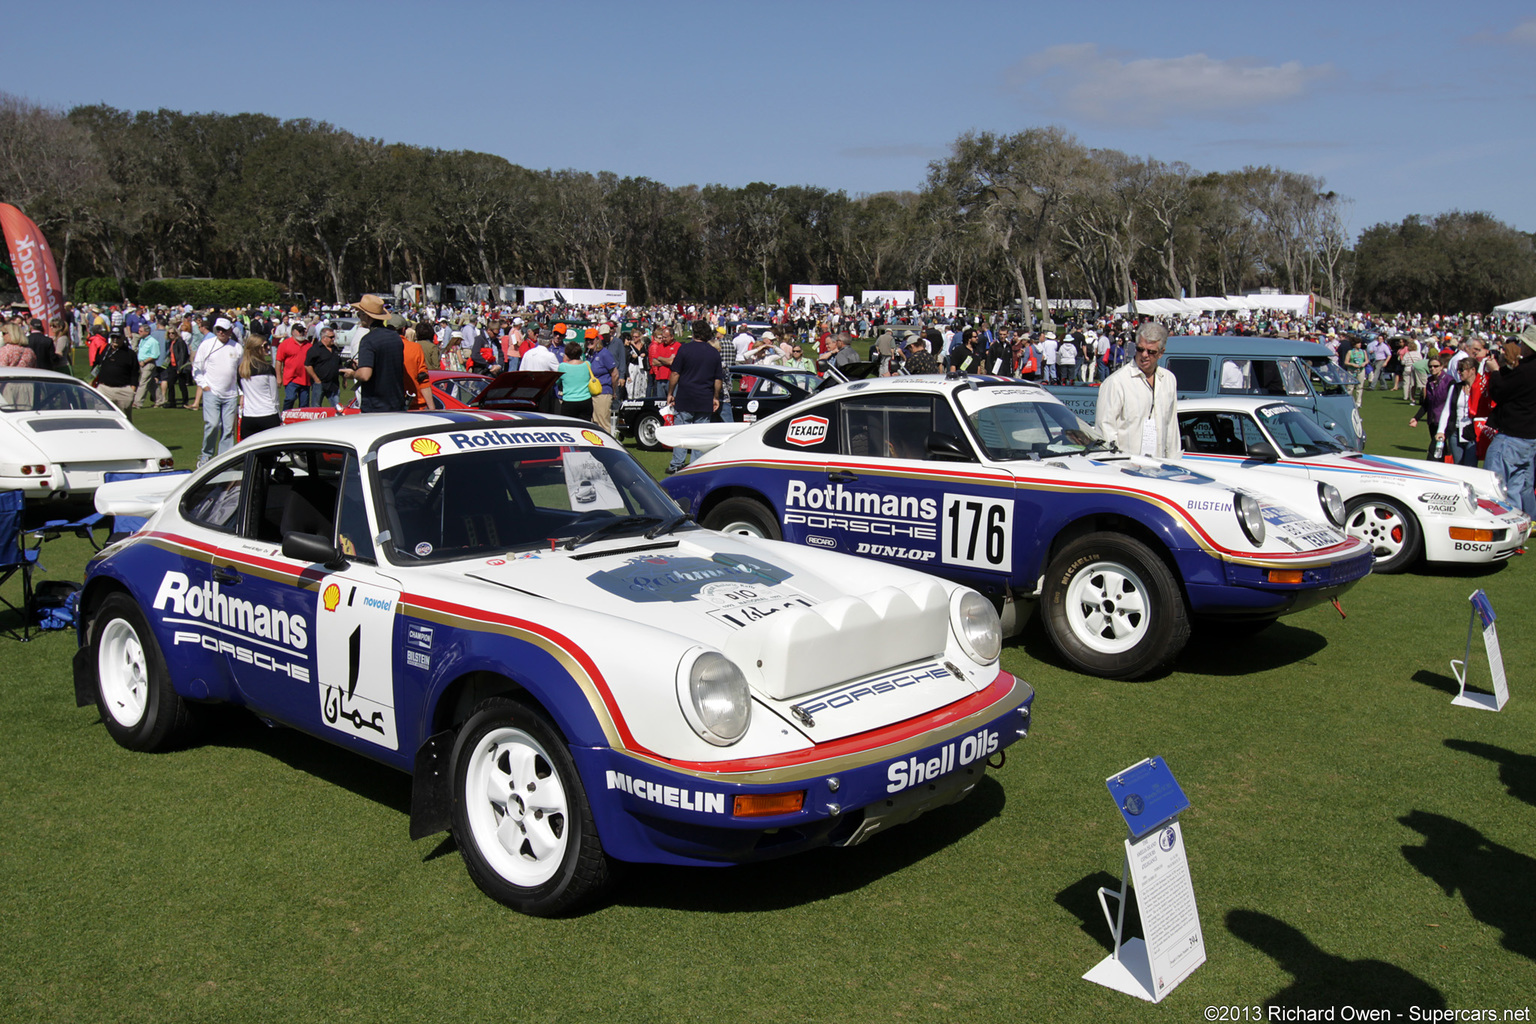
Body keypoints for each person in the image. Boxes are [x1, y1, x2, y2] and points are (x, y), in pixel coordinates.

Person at [1095, 322, 1179, 458]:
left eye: (1151, 352)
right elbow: (1105, 432)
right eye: (1140, 349)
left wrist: (1174, 463)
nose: (1144, 355)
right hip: (1126, 470)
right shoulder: (1116, 382)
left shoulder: (1168, 380)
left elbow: (1172, 428)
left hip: (1160, 468)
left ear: (1161, 353)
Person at [1482, 328, 1536, 517]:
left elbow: (1501, 391)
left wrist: (1495, 371)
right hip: (1529, 438)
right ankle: (1520, 525)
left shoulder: (1526, 371)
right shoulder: (1525, 370)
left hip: (1512, 436)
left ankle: (1497, 523)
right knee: (1517, 488)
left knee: (1494, 485)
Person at [665, 320, 724, 474]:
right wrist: (716, 397)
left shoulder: (684, 349)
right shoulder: (714, 353)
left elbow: (675, 373)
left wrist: (670, 393)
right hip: (704, 397)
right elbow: (718, 379)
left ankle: (677, 463)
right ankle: (695, 465)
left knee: (681, 432)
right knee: (700, 435)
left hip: (685, 396)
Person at [341, 294, 406, 412]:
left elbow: (365, 375)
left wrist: (353, 374)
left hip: (375, 405)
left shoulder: (368, 339)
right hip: (396, 402)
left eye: (359, 314)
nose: (359, 317)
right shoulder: (395, 337)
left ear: (367, 316)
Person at [193, 317, 241, 464]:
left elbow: (240, 372)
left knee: (228, 429)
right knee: (213, 424)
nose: (221, 332)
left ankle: (224, 460)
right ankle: (206, 455)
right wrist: (205, 386)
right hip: (212, 392)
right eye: (218, 329)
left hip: (231, 394)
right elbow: (197, 368)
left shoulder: (237, 348)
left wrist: (241, 393)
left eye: (224, 330)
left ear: (230, 331)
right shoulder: (207, 345)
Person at [237, 335, 281, 438]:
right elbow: (274, 397)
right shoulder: (267, 369)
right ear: (257, 349)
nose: (268, 348)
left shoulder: (241, 370)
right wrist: (278, 415)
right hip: (268, 415)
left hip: (249, 417)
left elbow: (242, 391)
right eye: (265, 345)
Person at [1408, 356, 1452, 459]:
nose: (1433, 368)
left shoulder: (1449, 381)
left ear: (1441, 367)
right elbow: (1427, 403)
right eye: (1430, 366)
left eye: (1436, 366)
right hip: (1432, 420)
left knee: (1434, 450)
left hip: (1444, 421)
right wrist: (1416, 418)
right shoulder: (1430, 381)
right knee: (1442, 450)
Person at [95, 333, 140, 418]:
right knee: (102, 418)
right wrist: (91, 383)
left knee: (124, 419)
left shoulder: (130, 354)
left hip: (123, 390)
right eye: (113, 337)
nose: (115, 339)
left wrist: (132, 390)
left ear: (123, 338)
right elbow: (96, 367)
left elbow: (135, 373)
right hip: (104, 388)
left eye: (118, 337)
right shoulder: (104, 350)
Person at [556, 341, 596, 421]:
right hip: (586, 400)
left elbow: (557, 382)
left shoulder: (563, 366)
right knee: (585, 426)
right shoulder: (587, 364)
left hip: (569, 401)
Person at [275, 324, 312, 410]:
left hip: (305, 379)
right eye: (299, 331)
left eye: (303, 331)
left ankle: (302, 422)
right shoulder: (285, 344)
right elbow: (279, 361)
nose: (301, 333)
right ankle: (285, 415)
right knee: (290, 398)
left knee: (304, 404)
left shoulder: (308, 345)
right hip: (291, 378)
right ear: (293, 332)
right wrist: (279, 377)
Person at [305, 326, 344, 408]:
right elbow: (308, 365)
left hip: (333, 384)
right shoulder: (315, 349)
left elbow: (339, 364)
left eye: (334, 337)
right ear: (324, 338)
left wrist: (344, 378)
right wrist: (316, 379)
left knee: (337, 407)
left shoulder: (335, 349)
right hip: (320, 383)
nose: (333, 339)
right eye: (331, 337)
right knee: (316, 407)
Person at [586, 331, 617, 433]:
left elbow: (615, 374)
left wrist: (614, 391)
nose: (589, 342)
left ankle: (608, 446)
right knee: (593, 423)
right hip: (590, 392)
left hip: (603, 392)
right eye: (587, 339)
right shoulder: (588, 354)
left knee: (602, 423)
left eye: (592, 339)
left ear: (597, 339)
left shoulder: (604, 353)